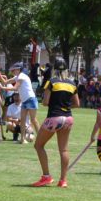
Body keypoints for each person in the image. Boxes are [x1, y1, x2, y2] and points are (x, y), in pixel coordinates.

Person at [31, 58, 80, 188]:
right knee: (63, 149)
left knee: (38, 145)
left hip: (54, 117)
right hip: (68, 118)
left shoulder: (51, 82)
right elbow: (77, 104)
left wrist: (55, 103)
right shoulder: (72, 83)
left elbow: (45, 102)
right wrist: (66, 106)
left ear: (55, 69)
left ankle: (46, 176)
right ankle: (63, 180)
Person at [1, 62, 39, 143]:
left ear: (18, 69)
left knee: (33, 120)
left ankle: (40, 138)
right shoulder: (17, 77)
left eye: (14, 70)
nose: (12, 71)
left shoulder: (21, 76)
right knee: (23, 120)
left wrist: (2, 87)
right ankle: (22, 139)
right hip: (25, 101)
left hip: (31, 99)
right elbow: (5, 82)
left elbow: (15, 88)